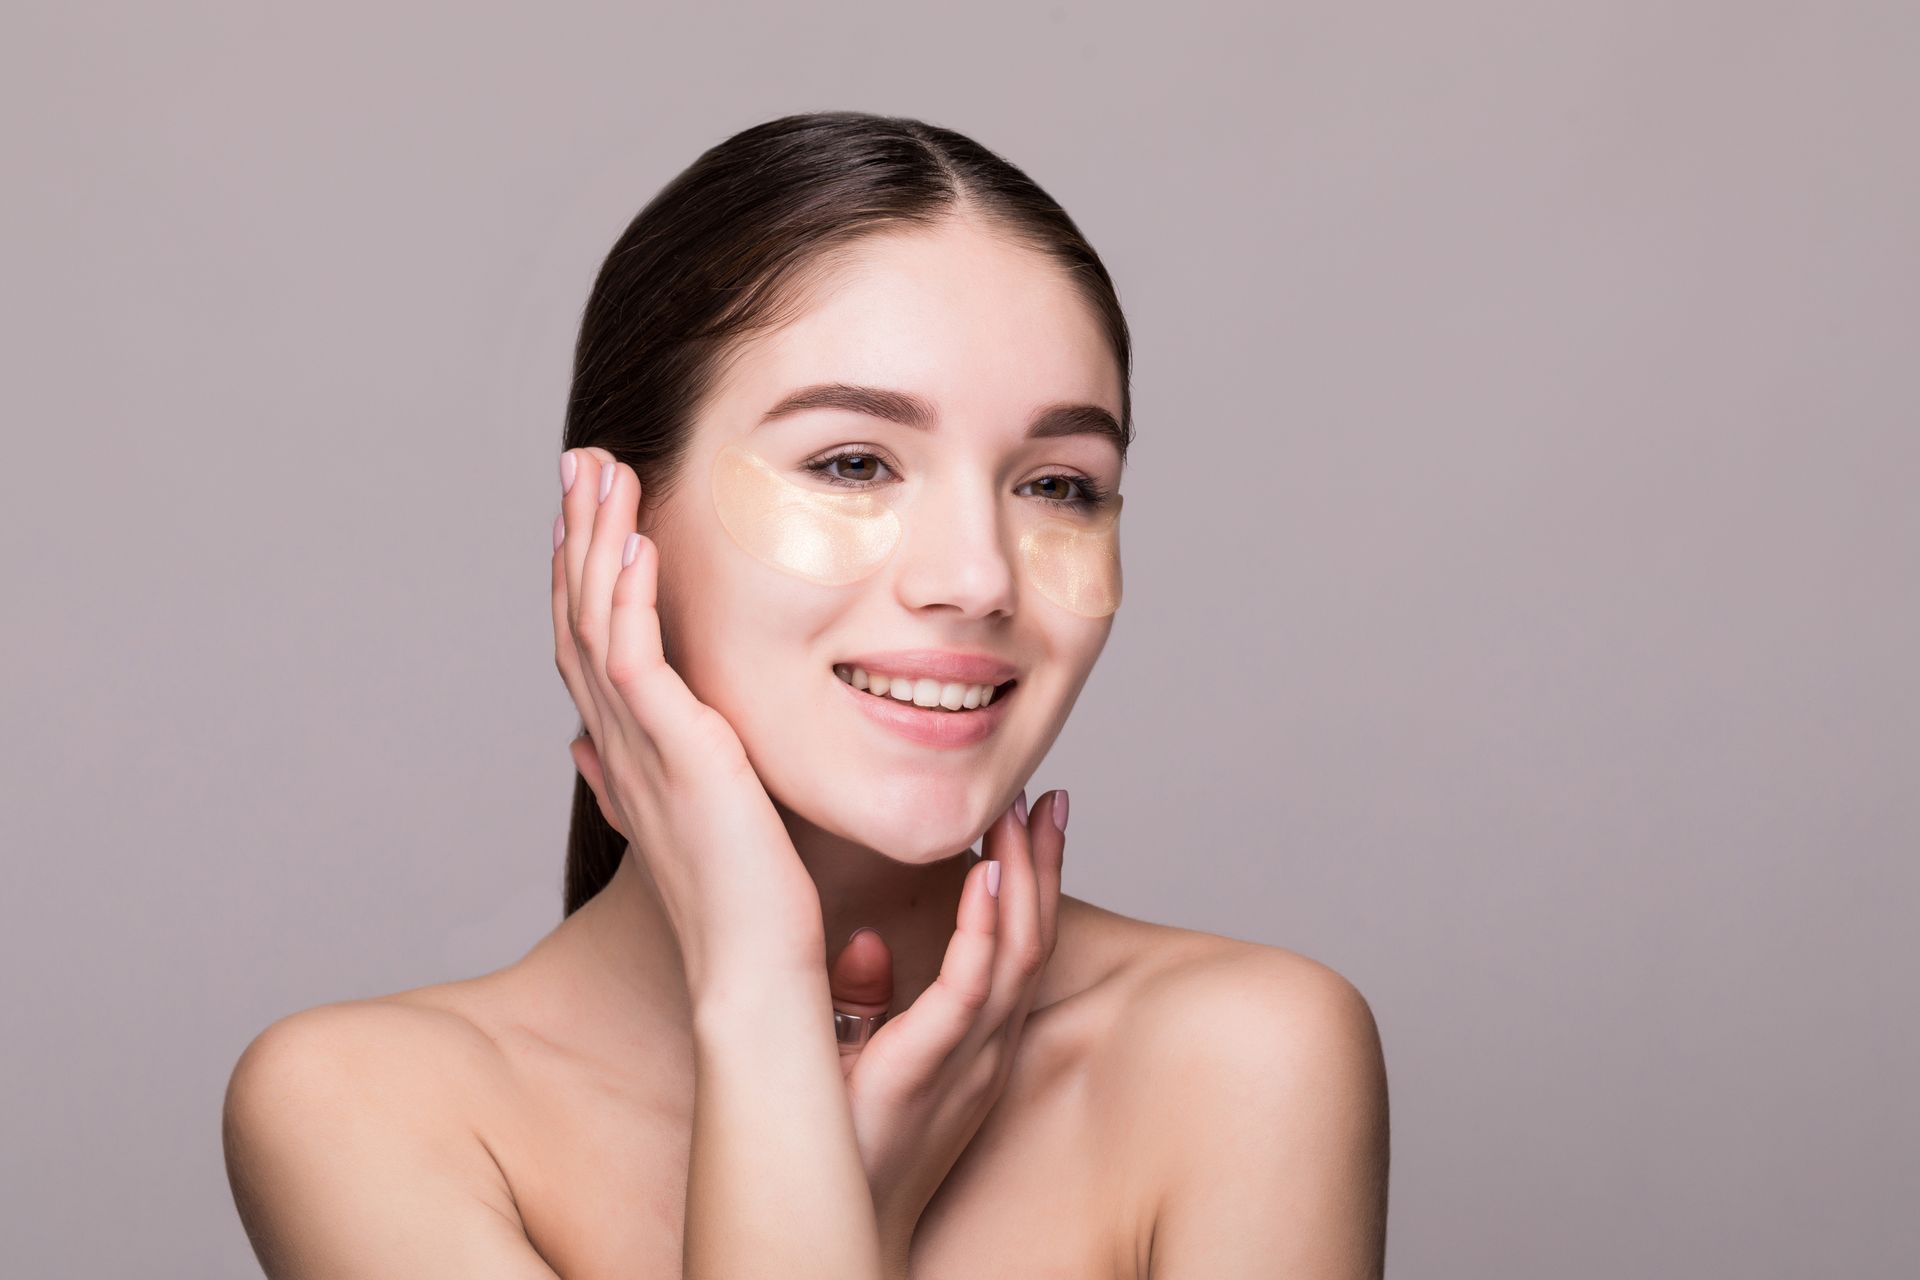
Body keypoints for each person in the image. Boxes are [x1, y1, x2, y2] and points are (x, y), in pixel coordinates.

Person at [221, 110, 1390, 1278]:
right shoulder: (369, 1106)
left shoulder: (1245, 1057)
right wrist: (763, 1004)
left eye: (1057, 484)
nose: (977, 577)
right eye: (852, 463)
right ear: (615, 522)